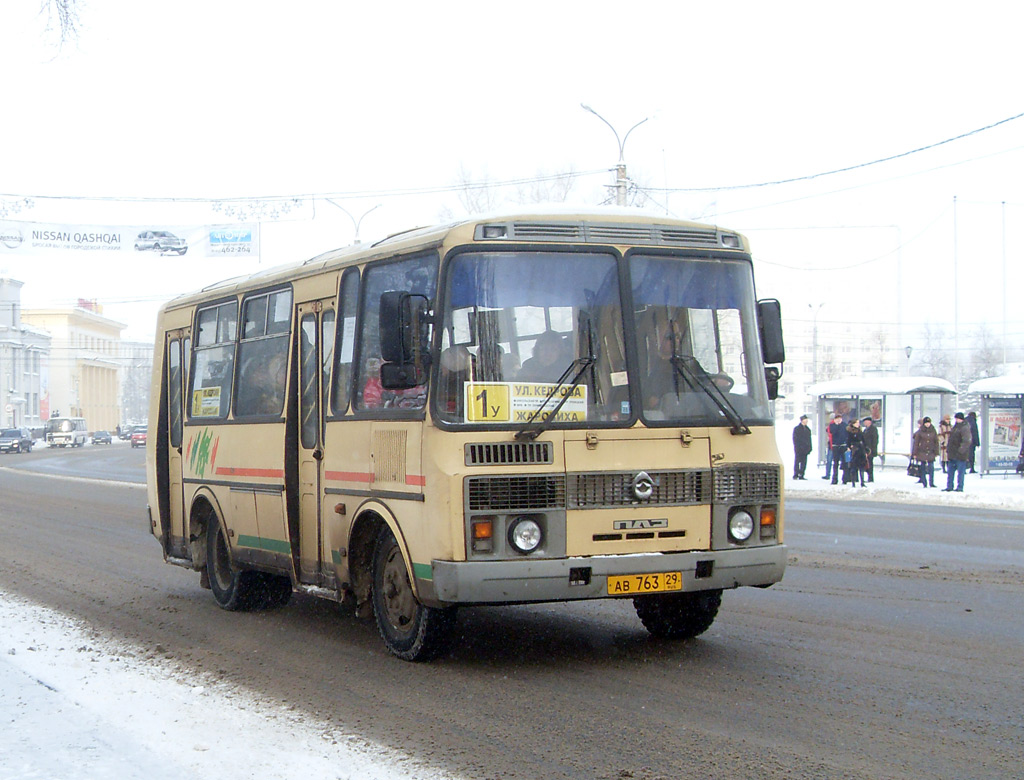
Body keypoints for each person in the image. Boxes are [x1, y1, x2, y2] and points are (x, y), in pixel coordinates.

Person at [944, 412, 973, 492]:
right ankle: (949, 486)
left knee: (960, 472)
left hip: (960, 455)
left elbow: (967, 441)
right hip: (952, 453)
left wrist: (961, 451)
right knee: (950, 472)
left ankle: (960, 487)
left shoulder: (964, 428)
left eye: (958, 418)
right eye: (956, 418)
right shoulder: (955, 427)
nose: (956, 420)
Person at [911, 417, 939, 488]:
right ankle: (924, 482)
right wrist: (914, 453)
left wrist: (936, 452)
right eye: (926, 423)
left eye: (928, 423)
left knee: (931, 468)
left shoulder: (933, 430)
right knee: (922, 468)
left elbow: (936, 441)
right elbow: (916, 443)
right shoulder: (920, 431)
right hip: (922, 452)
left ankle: (931, 482)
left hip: (931, 452)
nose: (927, 424)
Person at [844, 418, 867, 486]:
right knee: (853, 466)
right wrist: (849, 447)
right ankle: (853, 482)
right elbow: (848, 440)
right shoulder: (849, 431)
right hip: (854, 450)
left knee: (861, 466)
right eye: (857, 423)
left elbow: (863, 440)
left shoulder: (860, 431)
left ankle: (862, 482)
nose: (858, 424)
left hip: (861, 449)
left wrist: (865, 449)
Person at [828, 413, 848, 484]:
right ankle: (834, 479)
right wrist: (837, 425)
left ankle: (845, 478)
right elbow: (832, 432)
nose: (838, 420)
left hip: (843, 446)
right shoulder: (832, 425)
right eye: (837, 418)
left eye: (840, 418)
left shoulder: (845, 425)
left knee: (845, 462)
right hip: (835, 446)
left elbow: (846, 435)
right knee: (835, 463)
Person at [792, 415, 812, 480]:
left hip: (805, 448)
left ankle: (802, 474)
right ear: (802, 420)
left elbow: (809, 439)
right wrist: (797, 446)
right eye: (805, 419)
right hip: (799, 448)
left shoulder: (808, 429)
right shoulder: (797, 429)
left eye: (807, 420)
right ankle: (796, 474)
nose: (806, 421)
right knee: (797, 461)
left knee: (804, 462)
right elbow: (795, 439)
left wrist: (810, 447)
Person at [861, 416, 879, 483]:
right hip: (866, 449)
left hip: (870, 450)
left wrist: (871, 449)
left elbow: (875, 440)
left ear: (869, 422)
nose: (865, 423)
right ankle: (869, 477)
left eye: (866, 421)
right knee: (867, 464)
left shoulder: (873, 429)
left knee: (870, 464)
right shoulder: (866, 429)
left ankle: (870, 478)